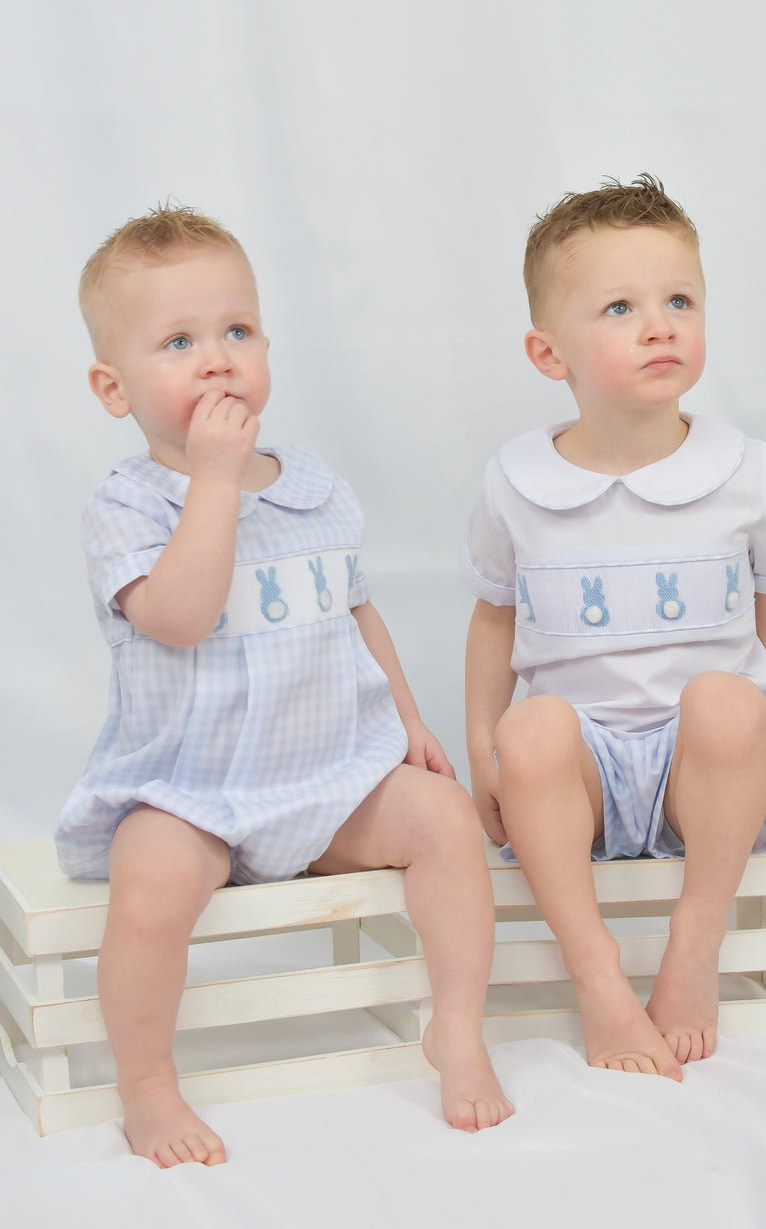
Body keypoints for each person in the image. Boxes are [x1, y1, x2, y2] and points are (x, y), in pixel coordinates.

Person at [57, 207, 513, 1168]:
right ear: (113, 387)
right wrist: (214, 483)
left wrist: (406, 720)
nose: (217, 360)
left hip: (324, 776)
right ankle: (148, 1084)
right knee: (148, 889)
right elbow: (178, 615)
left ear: (267, 342)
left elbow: (357, 612)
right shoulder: (126, 507)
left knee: (445, 822)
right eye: (178, 342)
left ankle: (457, 1029)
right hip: (193, 788)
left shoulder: (310, 484)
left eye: (235, 331)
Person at [462, 175, 766, 1080]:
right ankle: (600, 982)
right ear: (551, 353)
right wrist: (481, 745)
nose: (659, 324)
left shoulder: (742, 469)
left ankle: (690, 956)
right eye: (620, 307)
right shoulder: (517, 484)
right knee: (532, 725)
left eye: (679, 301)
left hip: (703, 778)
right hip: (578, 778)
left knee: (727, 702)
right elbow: (493, 618)